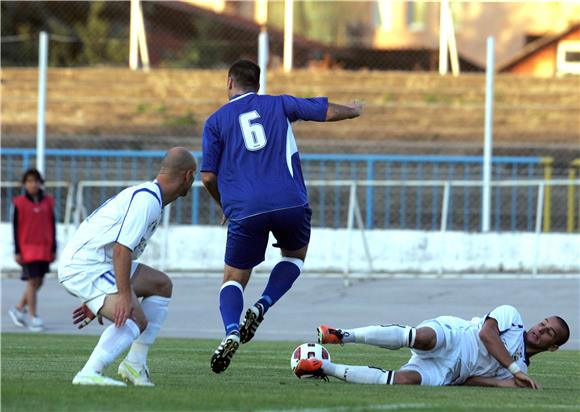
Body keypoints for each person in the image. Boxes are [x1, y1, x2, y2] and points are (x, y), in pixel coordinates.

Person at [201, 59, 364, 374]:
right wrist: (354, 110)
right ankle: (263, 305)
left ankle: (232, 330)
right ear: (258, 84)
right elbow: (324, 110)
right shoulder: (279, 104)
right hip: (290, 202)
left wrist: (222, 204)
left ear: (229, 82)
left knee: (234, 278)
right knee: (294, 257)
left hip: (246, 209)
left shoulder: (216, 121)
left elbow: (208, 176)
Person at [58, 147, 196, 386]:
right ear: (188, 176)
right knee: (134, 318)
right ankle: (89, 373)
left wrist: (102, 297)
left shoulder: (152, 198)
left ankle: (134, 364)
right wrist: (121, 295)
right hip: (84, 267)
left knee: (161, 285)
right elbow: (122, 250)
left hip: (99, 265)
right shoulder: (147, 201)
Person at [295, 305, 570, 389]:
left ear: (553, 347)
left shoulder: (520, 370)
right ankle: (342, 335)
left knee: (404, 381)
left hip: (451, 372)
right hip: (456, 336)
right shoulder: (513, 318)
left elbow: (474, 379)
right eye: (543, 323)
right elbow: (487, 335)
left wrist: (509, 383)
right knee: (422, 337)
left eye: (549, 333)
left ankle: (323, 366)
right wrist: (513, 369)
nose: (540, 329)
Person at [9, 168, 56, 332]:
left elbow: (52, 224)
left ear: (40, 183)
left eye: (35, 181)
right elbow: (15, 228)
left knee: (39, 281)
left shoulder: (48, 201)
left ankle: (18, 308)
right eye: (29, 181)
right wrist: (17, 251)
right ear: (24, 184)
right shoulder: (19, 203)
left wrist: (53, 248)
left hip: (44, 247)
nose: (33, 184)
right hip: (27, 248)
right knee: (31, 281)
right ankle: (34, 316)